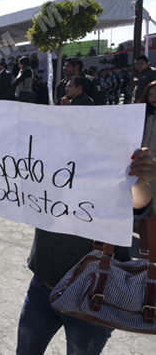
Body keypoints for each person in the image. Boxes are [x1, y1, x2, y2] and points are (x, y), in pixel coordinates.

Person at [16, 147, 156, 354]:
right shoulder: (47, 145)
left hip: (96, 296)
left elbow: (139, 204)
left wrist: (139, 183)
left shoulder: (117, 152)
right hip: (43, 284)